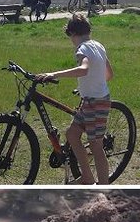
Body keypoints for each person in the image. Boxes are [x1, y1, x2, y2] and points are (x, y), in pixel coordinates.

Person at [39, 14, 114, 185]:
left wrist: (54, 74)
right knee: (72, 135)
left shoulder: (82, 49)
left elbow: (84, 69)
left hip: (95, 103)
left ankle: (103, 186)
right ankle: (87, 177)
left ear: (72, 33)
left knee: (96, 146)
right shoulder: (98, 45)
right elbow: (109, 74)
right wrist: (87, 86)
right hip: (92, 100)